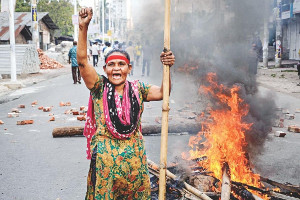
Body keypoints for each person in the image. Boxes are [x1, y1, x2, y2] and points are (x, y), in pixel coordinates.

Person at [77, 7, 175, 200]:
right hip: (106, 164)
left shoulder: (139, 89)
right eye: (111, 65)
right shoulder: (99, 87)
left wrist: (167, 68)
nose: (116, 69)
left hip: (135, 163)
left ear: (129, 68)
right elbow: (82, 61)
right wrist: (83, 27)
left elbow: (164, 93)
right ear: (104, 69)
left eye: (121, 64)